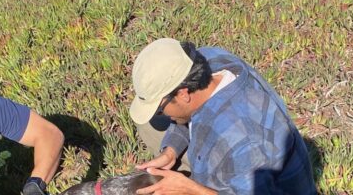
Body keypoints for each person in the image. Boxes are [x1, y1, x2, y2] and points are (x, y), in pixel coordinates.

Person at [130, 38, 316, 194]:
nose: (161, 113)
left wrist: (192, 190)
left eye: (160, 108)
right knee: (152, 125)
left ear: (183, 93)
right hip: (234, 156)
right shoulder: (206, 59)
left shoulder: (243, 141)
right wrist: (171, 150)